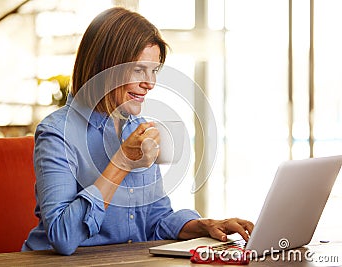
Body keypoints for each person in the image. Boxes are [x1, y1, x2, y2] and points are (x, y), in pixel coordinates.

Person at [22, 7, 254, 256]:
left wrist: (204, 226)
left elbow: (156, 220)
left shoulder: (136, 128)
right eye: (138, 70)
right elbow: (63, 237)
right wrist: (122, 162)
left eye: (153, 71)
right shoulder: (57, 132)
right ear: (105, 68)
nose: (150, 84)